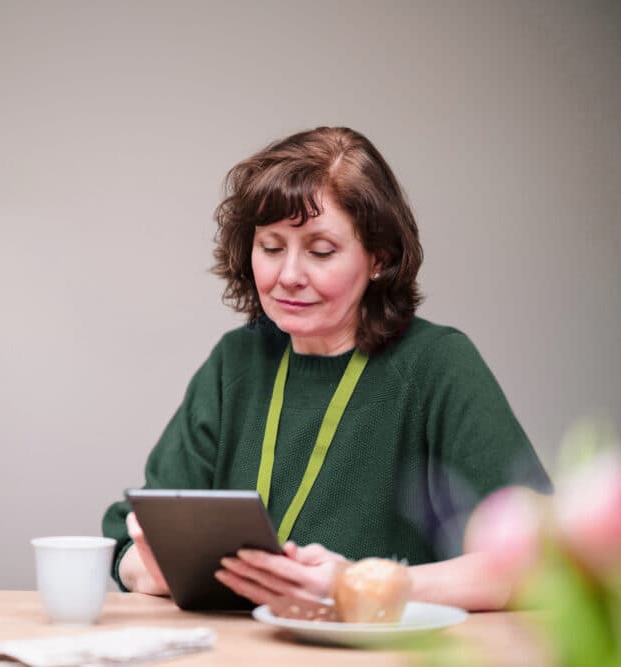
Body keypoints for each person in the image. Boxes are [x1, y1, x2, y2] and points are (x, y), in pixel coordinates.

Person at [101, 126, 552, 611]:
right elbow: (131, 535)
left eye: (320, 251)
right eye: (271, 248)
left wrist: (355, 584)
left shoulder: (437, 364)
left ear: (378, 256)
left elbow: (541, 563)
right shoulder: (236, 361)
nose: (289, 276)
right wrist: (151, 566)